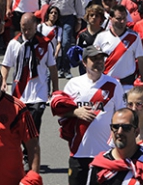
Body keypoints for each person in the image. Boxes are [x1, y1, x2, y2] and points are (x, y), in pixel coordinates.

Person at [51, 46, 125, 185]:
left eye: (101, 59)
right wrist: (75, 112)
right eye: (94, 59)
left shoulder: (114, 84)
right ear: (84, 62)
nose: (98, 62)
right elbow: (60, 112)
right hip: (79, 152)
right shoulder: (74, 84)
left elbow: (121, 115)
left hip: (106, 153)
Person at [1, 12, 58, 133]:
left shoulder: (45, 44)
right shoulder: (14, 44)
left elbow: (53, 68)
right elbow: (6, 65)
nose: (26, 32)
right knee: (20, 125)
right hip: (19, 92)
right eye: (23, 29)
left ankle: (30, 150)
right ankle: (27, 150)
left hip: (39, 92)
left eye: (29, 29)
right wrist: (3, 81)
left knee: (34, 121)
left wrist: (56, 90)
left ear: (36, 26)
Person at [87, 108, 143, 185]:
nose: (120, 132)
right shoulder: (99, 165)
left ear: (136, 132)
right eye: (115, 127)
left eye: (126, 127)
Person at [43, 0, 85, 79]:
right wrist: (45, 11)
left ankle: (65, 69)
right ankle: (52, 67)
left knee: (66, 42)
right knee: (52, 43)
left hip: (68, 17)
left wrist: (79, 19)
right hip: (54, 17)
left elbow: (78, 3)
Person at [93, 4, 143, 92]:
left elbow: (141, 60)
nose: (122, 21)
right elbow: (94, 61)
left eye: (124, 18)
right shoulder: (101, 37)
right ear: (111, 18)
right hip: (106, 84)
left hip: (127, 85)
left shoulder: (134, 37)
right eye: (118, 18)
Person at [75, 4, 105, 75]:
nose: (94, 17)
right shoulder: (82, 34)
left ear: (101, 19)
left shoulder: (105, 34)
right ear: (87, 17)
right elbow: (78, 51)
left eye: (97, 16)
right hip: (85, 67)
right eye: (91, 15)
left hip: (100, 66)